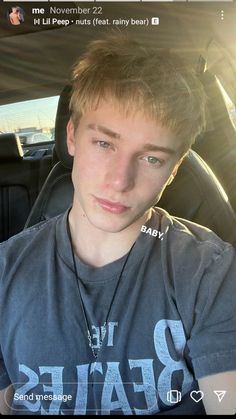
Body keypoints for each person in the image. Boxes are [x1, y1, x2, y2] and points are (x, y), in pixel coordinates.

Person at [0, 34, 236, 415]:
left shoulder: (210, 271)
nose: (119, 181)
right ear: (73, 136)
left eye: (152, 159)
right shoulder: (5, 273)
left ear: (174, 170)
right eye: (105, 144)